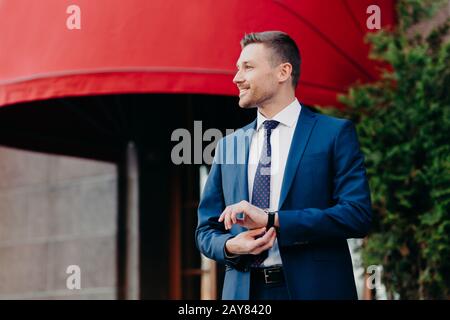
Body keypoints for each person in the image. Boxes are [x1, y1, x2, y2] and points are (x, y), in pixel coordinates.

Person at [196, 31, 372, 300]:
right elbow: (205, 230)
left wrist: (274, 221)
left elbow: (357, 215)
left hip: (317, 291)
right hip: (244, 294)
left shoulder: (334, 134)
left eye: (248, 67)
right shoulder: (228, 146)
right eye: (237, 68)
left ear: (283, 72)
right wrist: (231, 245)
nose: (236, 78)